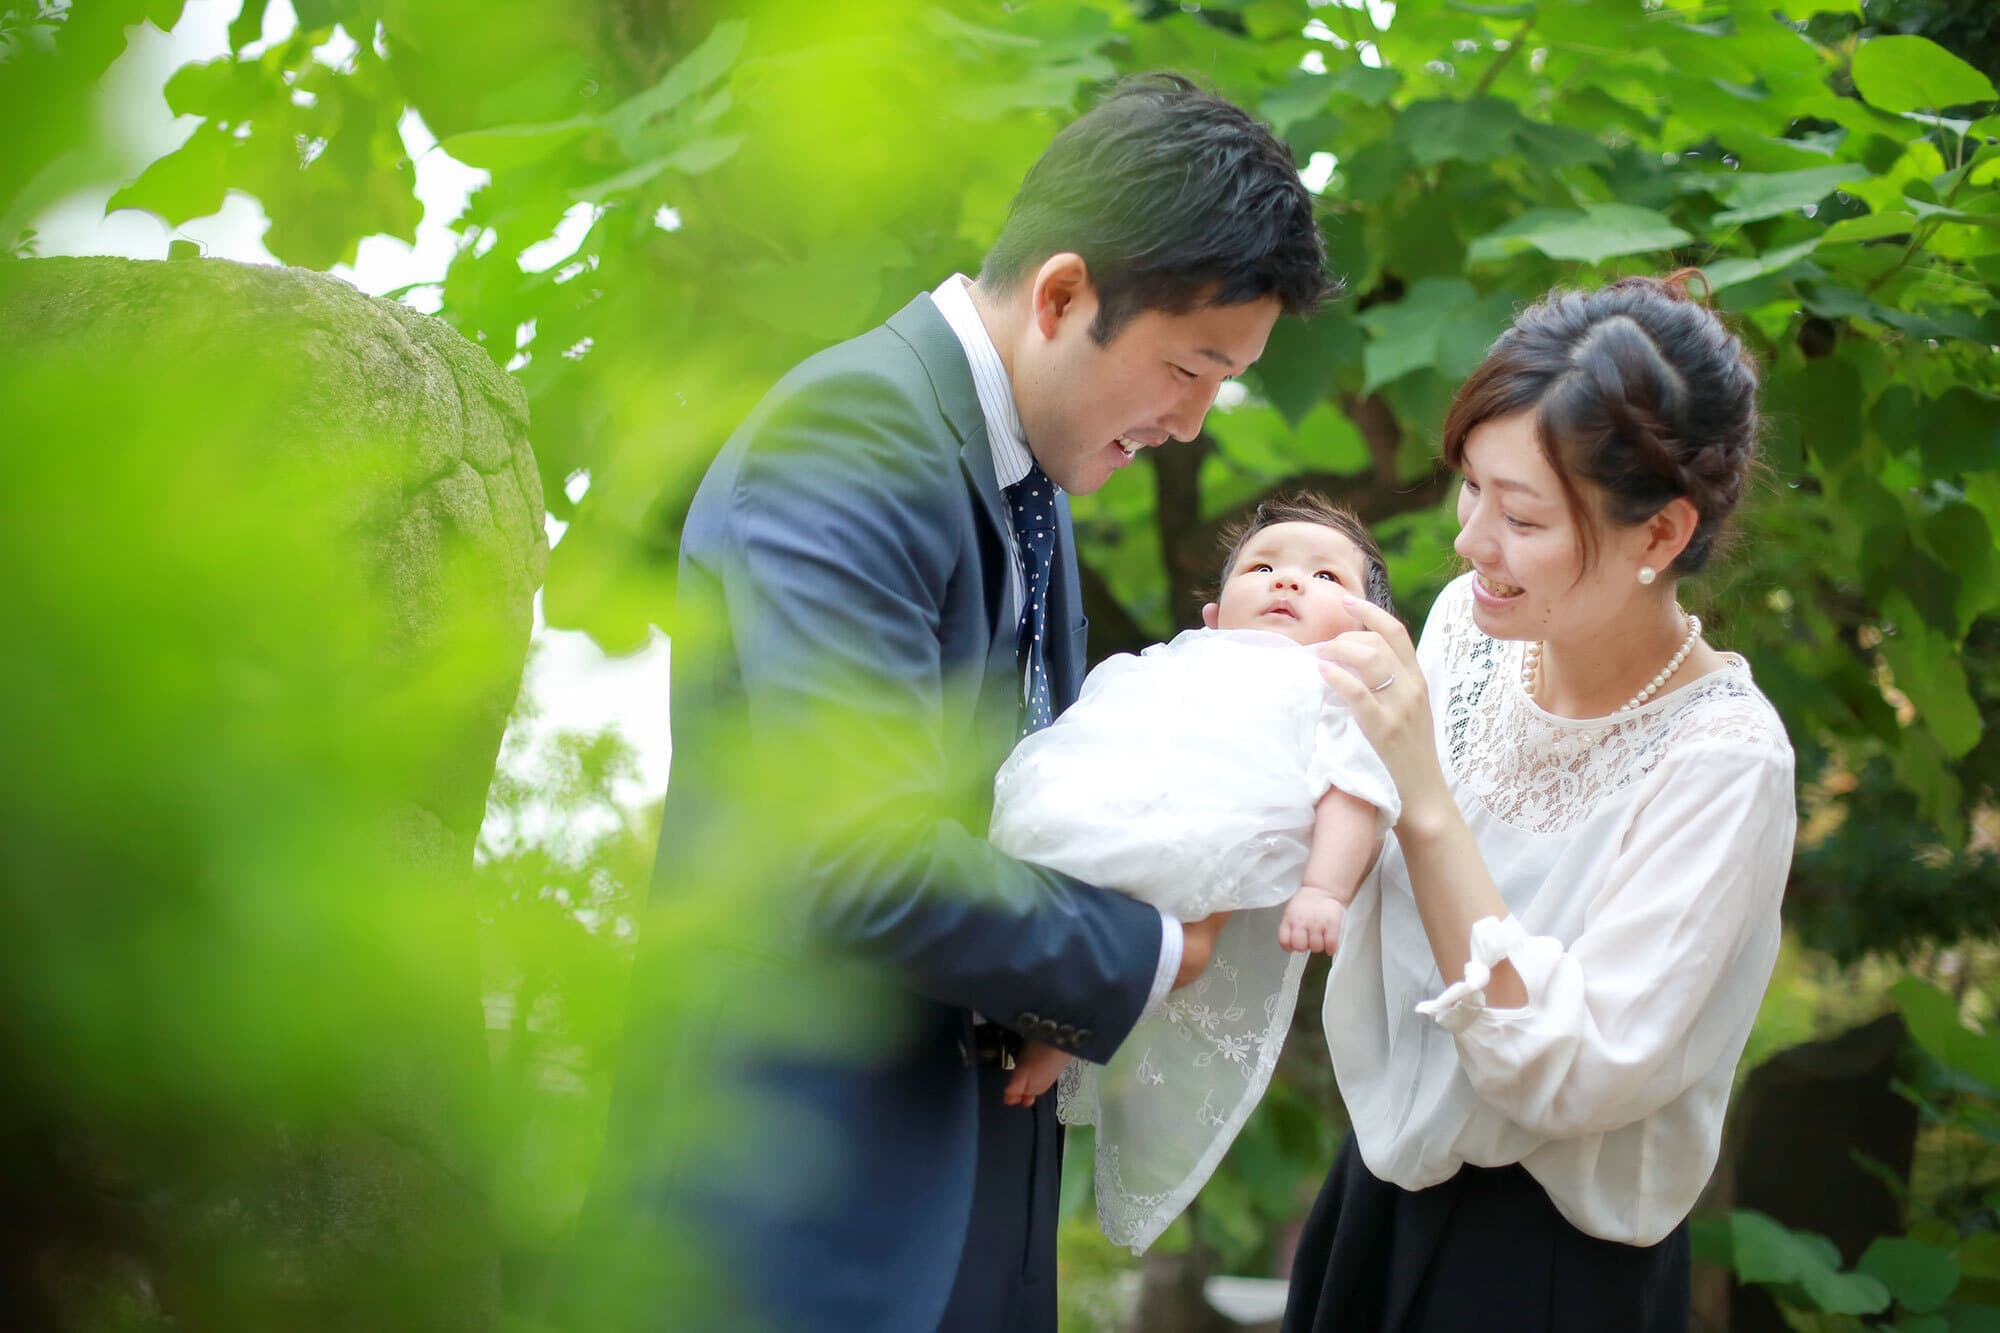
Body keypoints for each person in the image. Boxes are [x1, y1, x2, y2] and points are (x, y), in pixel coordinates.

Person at [591, 74, 1334, 1333]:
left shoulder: (1026, 482)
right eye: (1189, 369)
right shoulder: (848, 441)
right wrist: (1161, 949)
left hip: (969, 1204)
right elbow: (854, 854)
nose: (1193, 424)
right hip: (801, 1217)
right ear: (1061, 294)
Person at [1281, 271, 1797, 1332]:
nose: (1471, 541)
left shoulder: (1725, 760)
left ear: (1659, 536)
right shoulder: (1465, 635)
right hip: (1372, 1205)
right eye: (1469, 487)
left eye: (1519, 514)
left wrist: (1422, 799)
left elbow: (1570, 1073)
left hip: (1550, 1269)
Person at [986, 494, 1401, 1254]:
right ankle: (1049, 1005)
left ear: (1363, 629)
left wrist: (1323, 889)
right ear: (1214, 613)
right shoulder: (1171, 663)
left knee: (1176, 949)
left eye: (1323, 575)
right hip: (1117, 812)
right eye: (1264, 566)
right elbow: (1104, 731)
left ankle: (1063, 1033)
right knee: (1058, 879)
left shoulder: (1331, 686)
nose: (1288, 582)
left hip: (1217, 848)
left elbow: (1354, 793)